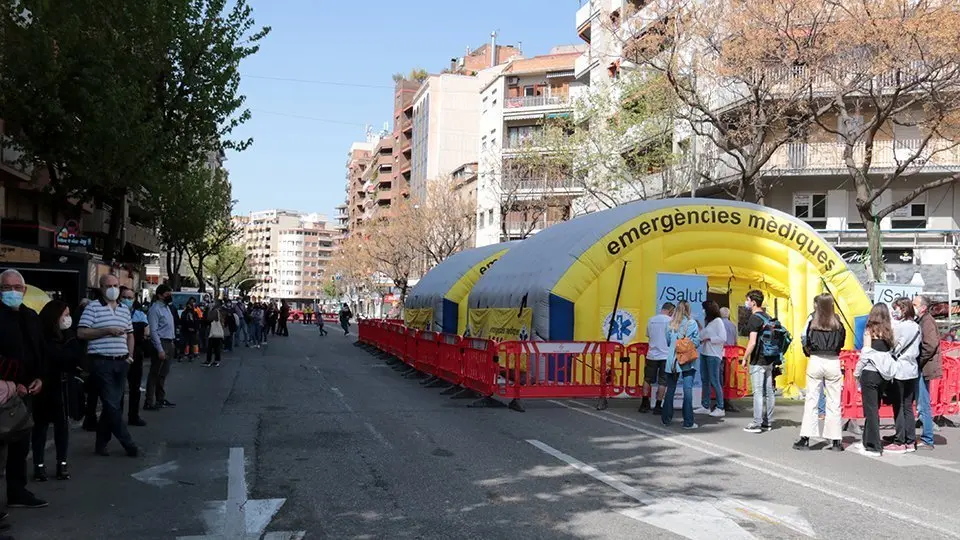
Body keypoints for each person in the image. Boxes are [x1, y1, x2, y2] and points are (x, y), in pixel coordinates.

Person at [0, 269, 49, 509]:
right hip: (5, 392)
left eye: (16, 288)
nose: (12, 293)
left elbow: (39, 350)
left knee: (21, 444)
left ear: (24, 290)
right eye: (6, 288)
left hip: (28, 391)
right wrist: (13, 382)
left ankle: (17, 491)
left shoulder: (31, 316)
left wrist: (39, 378)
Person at [76, 274, 139, 457]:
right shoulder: (93, 308)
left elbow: (130, 334)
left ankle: (101, 443)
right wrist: (106, 331)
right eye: (108, 285)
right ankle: (129, 444)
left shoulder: (123, 310)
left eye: (115, 285)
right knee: (112, 405)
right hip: (101, 362)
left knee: (112, 406)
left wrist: (130, 356)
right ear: (101, 288)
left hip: (122, 362)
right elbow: (81, 333)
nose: (112, 289)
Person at [33, 300, 84, 480]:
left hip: (64, 385)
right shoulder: (42, 335)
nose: (68, 319)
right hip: (46, 385)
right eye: (65, 315)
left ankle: (62, 463)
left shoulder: (69, 335)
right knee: (40, 426)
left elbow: (75, 357)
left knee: (62, 426)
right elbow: (47, 358)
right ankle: (38, 465)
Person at [793, 293, 846, 452]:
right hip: (833, 361)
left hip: (816, 359)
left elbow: (804, 337)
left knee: (811, 400)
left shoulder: (812, 318)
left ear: (817, 305)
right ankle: (836, 440)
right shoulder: (837, 320)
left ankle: (805, 439)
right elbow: (842, 340)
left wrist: (808, 351)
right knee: (834, 402)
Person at [854, 303, 898, 456]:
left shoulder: (869, 331)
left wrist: (856, 372)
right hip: (883, 375)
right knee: (874, 407)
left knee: (870, 410)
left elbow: (865, 353)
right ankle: (866, 441)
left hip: (870, 372)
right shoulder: (889, 332)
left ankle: (874, 445)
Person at [882, 297, 922, 453]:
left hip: (899, 369)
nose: (895, 311)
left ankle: (900, 441)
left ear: (903, 309)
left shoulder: (900, 327)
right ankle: (910, 440)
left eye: (897, 308)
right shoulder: (917, 327)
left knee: (898, 407)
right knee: (908, 407)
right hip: (912, 369)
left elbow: (893, 345)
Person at [741, 290, 777, 433]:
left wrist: (744, 357)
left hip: (758, 359)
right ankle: (767, 422)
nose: (747, 303)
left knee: (758, 392)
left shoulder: (754, 319)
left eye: (748, 300)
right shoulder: (767, 317)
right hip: (769, 359)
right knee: (769, 391)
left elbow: (752, 342)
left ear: (753, 302)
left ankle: (757, 422)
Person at [662, 300, 701, 429]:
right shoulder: (692, 323)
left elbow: (668, 342)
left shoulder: (670, 324)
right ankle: (688, 422)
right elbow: (696, 342)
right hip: (686, 360)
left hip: (672, 361)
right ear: (688, 310)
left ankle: (666, 419)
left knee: (670, 390)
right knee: (687, 390)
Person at [913, 295, 942, 450]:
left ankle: (928, 438)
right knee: (920, 402)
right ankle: (923, 436)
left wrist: (919, 359)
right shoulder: (922, 320)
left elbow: (930, 344)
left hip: (924, 367)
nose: (912, 305)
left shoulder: (927, 321)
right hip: (923, 366)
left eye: (915, 303)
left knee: (923, 403)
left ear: (923, 307)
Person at [145, 285, 176, 411]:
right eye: (166, 294)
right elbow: (153, 331)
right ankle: (149, 401)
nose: (169, 296)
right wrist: (160, 349)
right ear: (160, 295)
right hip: (161, 342)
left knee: (163, 373)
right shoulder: (155, 309)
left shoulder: (167, 308)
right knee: (154, 373)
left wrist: (172, 341)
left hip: (169, 342)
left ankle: (160, 398)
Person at [639, 303, 673, 414]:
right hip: (665, 355)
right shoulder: (671, 321)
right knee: (663, 382)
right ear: (670, 310)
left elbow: (648, 335)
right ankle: (658, 406)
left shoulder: (651, 320)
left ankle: (644, 403)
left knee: (647, 379)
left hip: (652, 354)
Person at [696, 300, 727, 418]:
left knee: (715, 381)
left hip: (714, 355)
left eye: (704, 309)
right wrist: (700, 329)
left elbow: (722, 338)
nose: (703, 311)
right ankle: (705, 405)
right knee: (705, 380)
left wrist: (709, 339)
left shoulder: (718, 321)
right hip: (705, 353)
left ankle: (720, 407)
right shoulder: (710, 322)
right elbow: (702, 335)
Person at [126, 292, 148, 427]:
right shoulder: (115, 312)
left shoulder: (140, 315)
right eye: (124, 297)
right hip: (118, 354)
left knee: (134, 387)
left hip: (136, 354)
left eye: (130, 298)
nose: (127, 300)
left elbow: (146, 331)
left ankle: (133, 416)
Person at [204, 301, 228, 367]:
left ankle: (209, 361)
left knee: (210, 347)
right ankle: (216, 361)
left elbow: (209, 319)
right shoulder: (221, 311)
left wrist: (209, 310)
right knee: (217, 347)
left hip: (214, 332)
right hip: (219, 332)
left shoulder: (215, 311)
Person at [179, 297, 200, 362]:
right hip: (186, 330)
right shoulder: (185, 313)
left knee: (190, 343)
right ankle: (183, 355)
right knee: (185, 343)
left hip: (190, 330)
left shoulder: (194, 313)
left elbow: (196, 321)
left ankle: (189, 355)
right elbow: (183, 321)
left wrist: (195, 329)